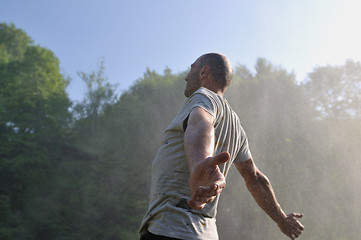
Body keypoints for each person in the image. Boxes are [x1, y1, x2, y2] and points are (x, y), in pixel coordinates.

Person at [139, 53, 304, 240]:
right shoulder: (236, 126)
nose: (186, 76)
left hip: (171, 229)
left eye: (191, 68)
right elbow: (255, 179)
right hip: (205, 235)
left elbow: (201, 124)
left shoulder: (202, 96)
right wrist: (281, 219)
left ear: (203, 71)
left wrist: (201, 164)